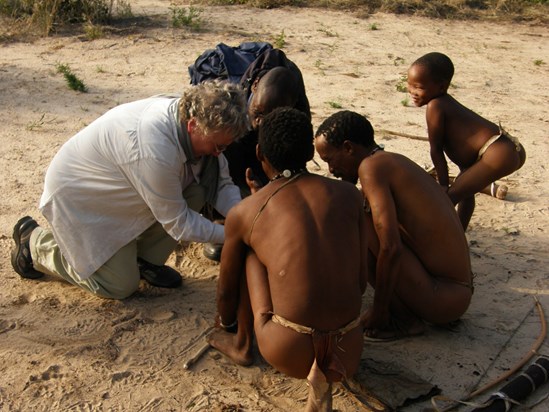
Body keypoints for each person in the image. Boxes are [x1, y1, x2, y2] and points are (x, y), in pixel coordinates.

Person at [10, 80, 249, 300]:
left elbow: (221, 183)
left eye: (225, 146)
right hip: (80, 198)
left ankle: (143, 261)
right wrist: (237, 235)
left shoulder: (194, 118)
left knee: (198, 189)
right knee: (119, 285)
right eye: (218, 146)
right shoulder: (154, 148)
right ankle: (36, 244)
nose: (220, 153)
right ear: (193, 125)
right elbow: (181, 224)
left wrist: (246, 218)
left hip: (123, 189)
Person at [208, 108, 368, 411]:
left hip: (287, 349)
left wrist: (225, 323)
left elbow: (228, 292)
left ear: (259, 153)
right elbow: (360, 282)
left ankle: (241, 344)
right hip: (348, 350)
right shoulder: (350, 195)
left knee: (250, 247)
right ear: (310, 151)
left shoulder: (246, 211)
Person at [314, 110, 473, 341]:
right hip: (455, 295)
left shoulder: (371, 168)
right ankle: (403, 310)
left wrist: (380, 311)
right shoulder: (391, 161)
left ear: (348, 148)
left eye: (330, 160)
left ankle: (403, 320)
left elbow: (391, 248)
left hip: (443, 298)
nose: (331, 170)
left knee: (353, 216)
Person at [196, 45, 311, 261]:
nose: (259, 123)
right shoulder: (230, 94)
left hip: (264, 159)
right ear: (255, 86)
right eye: (258, 113)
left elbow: (295, 153)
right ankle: (220, 219)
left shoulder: (296, 102)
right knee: (221, 146)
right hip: (233, 143)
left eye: (270, 116)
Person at [407, 52, 526, 230]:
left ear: (441, 87)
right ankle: (459, 235)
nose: (413, 92)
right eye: (409, 85)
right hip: (507, 149)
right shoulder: (446, 104)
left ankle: (435, 242)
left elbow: (436, 149)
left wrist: (444, 185)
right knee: (464, 192)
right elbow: (465, 176)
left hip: (497, 152)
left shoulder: (436, 106)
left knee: (446, 198)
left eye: (419, 87)